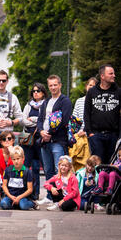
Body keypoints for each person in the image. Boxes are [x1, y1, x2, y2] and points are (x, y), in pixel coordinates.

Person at [36, 75, 73, 205]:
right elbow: (40, 119)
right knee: (48, 170)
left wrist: (50, 133)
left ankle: (61, 199)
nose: (53, 87)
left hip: (58, 141)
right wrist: (41, 132)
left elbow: (64, 121)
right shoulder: (46, 102)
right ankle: (49, 196)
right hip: (45, 141)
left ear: (60, 85)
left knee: (60, 171)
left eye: (55, 85)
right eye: (50, 85)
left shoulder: (65, 101)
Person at [84, 64, 121, 164]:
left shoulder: (118, 92)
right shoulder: (92, 92)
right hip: (96, 135)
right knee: (97, 166)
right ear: (102, 76)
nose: (114, 75)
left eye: (114, 73)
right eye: (111, 73)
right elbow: (86, 113)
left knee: (112, 166)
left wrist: (119, 136)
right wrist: (90, 133)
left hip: (113, 136)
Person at [21, 82, 47, 200]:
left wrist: (33, 119)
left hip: (40, 138)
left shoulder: (46, 105)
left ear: (43, 93)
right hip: (27, 136)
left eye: (38, 91)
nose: (35, 93)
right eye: (34, 91)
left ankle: (37, 193)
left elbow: (45, 120)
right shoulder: (28, 105)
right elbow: (23, 120)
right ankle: (26, 192)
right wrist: (37, 121)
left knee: (39, 167)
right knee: (26, 166)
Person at [0, 146, 37, 210]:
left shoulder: (28, 171)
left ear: (23, 158)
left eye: (18, 158)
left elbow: (30, 189)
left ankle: (33, 204)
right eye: (14, 159)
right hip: (11, 196)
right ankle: (15, 204)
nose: (16, 161)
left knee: (23, 206)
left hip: (23, 197)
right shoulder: (8, 170)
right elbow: (4, 186)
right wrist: (10, 196)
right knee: (3, 204)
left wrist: (19, 197)